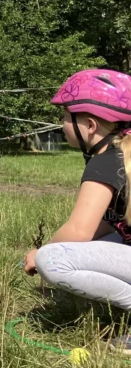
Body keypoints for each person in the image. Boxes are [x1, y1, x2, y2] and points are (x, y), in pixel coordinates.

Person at [24, 69, 131, 353]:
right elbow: (109, 227)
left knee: (53, 260)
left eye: (65, 116)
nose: (62, 124)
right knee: (107, 241)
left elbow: (79, 231)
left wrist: (40, 253)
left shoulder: (106, 162)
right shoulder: (122, 154)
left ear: (90, 124)